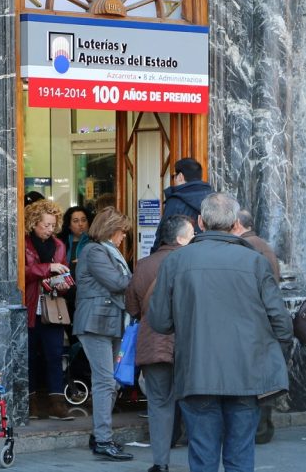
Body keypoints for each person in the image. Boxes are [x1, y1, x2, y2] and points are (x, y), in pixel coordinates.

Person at [149, 192, 292, 472]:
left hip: (196, 371)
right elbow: (282, 323)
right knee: (240, 455)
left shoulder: (176, 261)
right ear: (234, 223)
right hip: (245, 372)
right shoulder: (255, 262)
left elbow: (159, 321)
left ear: (201, 222)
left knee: (203, 455)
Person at [125, 215, 195, 472]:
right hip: (189, 343)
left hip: (153, 342)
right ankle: (200, 461)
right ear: (179, 238)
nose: (195, 239)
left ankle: (160, 463)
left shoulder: (142, 265)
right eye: (191, 235)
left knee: (158, 403)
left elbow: (132, 307)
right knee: (195, 402)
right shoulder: (192, 262)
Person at [74, 206, 134, 461]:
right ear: (112, 230)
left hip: (109, 322)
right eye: (122, 232)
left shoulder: (106, 251)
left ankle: (99, 435)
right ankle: (103, 439)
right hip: (95, 323)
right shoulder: (94, 250)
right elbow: (118, 283)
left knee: (112, 381)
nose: (123, 238)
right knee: (105, 382)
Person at [231, 209, 280, 444]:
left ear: (238, 225)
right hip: (263, 318)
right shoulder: (264, 246)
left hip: (251, 319)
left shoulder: (244, 247)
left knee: (251, 380)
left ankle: (257, 429)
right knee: (262, 378)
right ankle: (262, 427)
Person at [24, 199, 76, 420]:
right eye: (46, 224)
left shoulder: (59, 245)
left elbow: (62, 275)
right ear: (34, 223)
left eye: (53, 224)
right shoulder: (23, 243)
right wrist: (48, 268)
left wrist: (63, 283)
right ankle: (32, 401)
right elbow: (22, 273)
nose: (50, 229)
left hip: (52, 306)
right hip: (29, 307)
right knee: (30, 357)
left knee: (54, 355)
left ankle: (57, 401)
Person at [150, 158, 213, 254]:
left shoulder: (175, 202)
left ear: (180, 176)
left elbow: (163, 234)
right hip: (210, 254)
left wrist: (154, 256)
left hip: (180, 258)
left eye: (173, 176)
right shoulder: (215, 199)